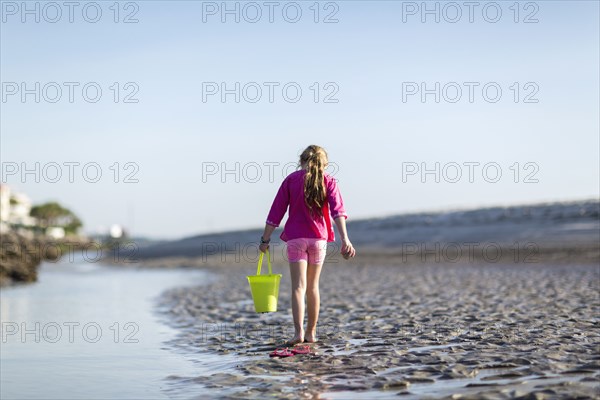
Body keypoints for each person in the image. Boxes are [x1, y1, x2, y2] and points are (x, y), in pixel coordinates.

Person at [259, 145, 356, 345]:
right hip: (319, 240)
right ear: (324, 164)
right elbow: (338, 212)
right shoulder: (328, 180)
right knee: (313, 287)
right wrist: (345, 239)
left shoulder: (291, 180)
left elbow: (275, 213)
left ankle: (298, 333)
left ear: (301, 160)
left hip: (296, 239)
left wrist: (265, 240)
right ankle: (311, 333)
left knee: (298, 287)